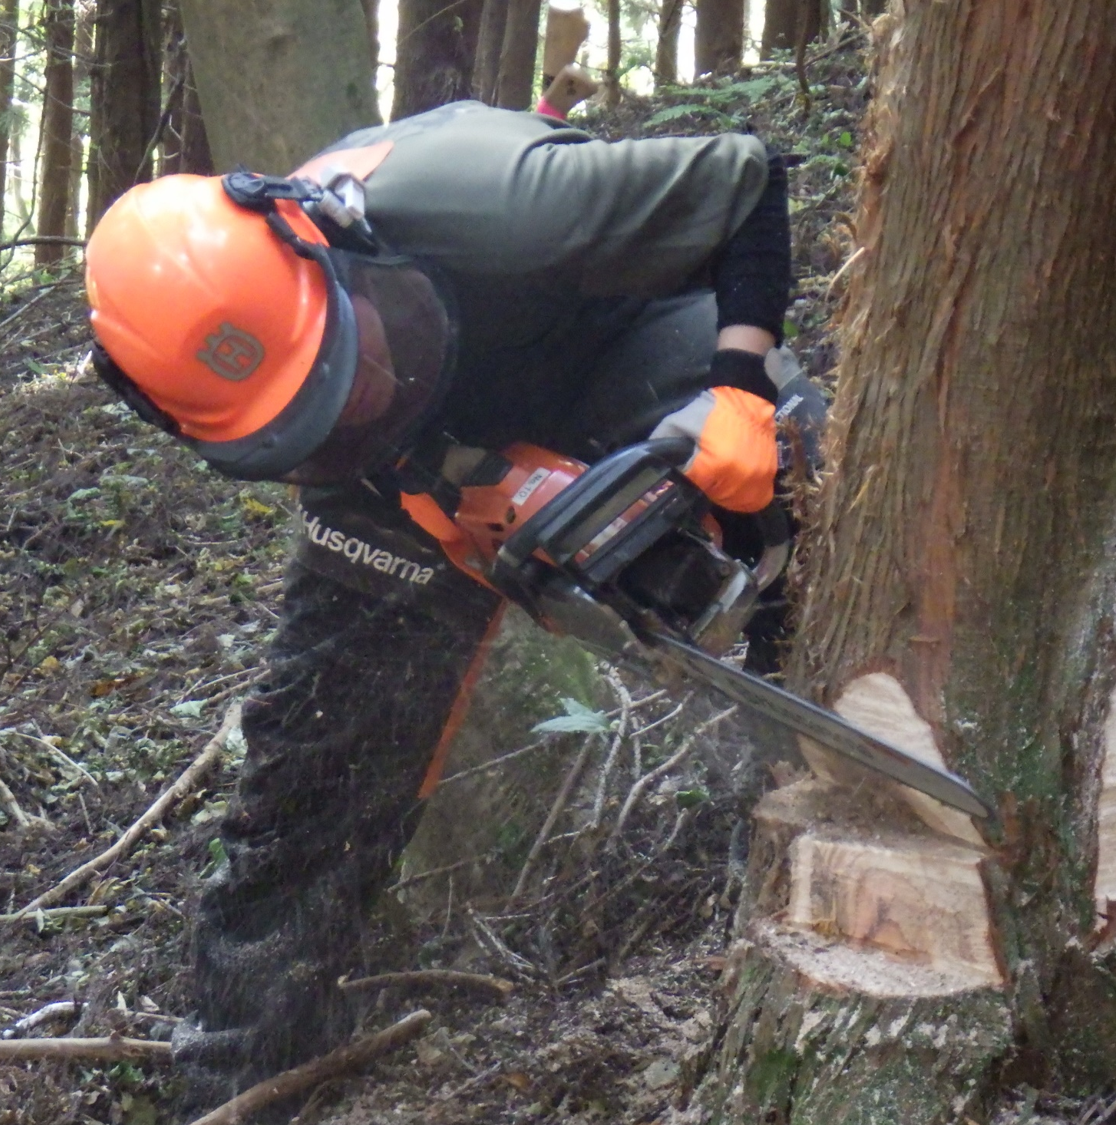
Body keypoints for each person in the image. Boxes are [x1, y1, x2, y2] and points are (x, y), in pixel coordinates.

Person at [82, 98, 822, 1103]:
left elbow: (746, 179)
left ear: (321, 248)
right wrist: (415, 475)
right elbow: (332, 432)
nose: (343, 413)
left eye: (335, 383)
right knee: (317, 752)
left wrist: (737, 388)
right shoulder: (278, 391)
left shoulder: (505, 209)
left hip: (607, 341)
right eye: (309, 424)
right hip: (406, 457)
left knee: (784, 448)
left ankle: (805, 773)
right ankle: (237, 1070)